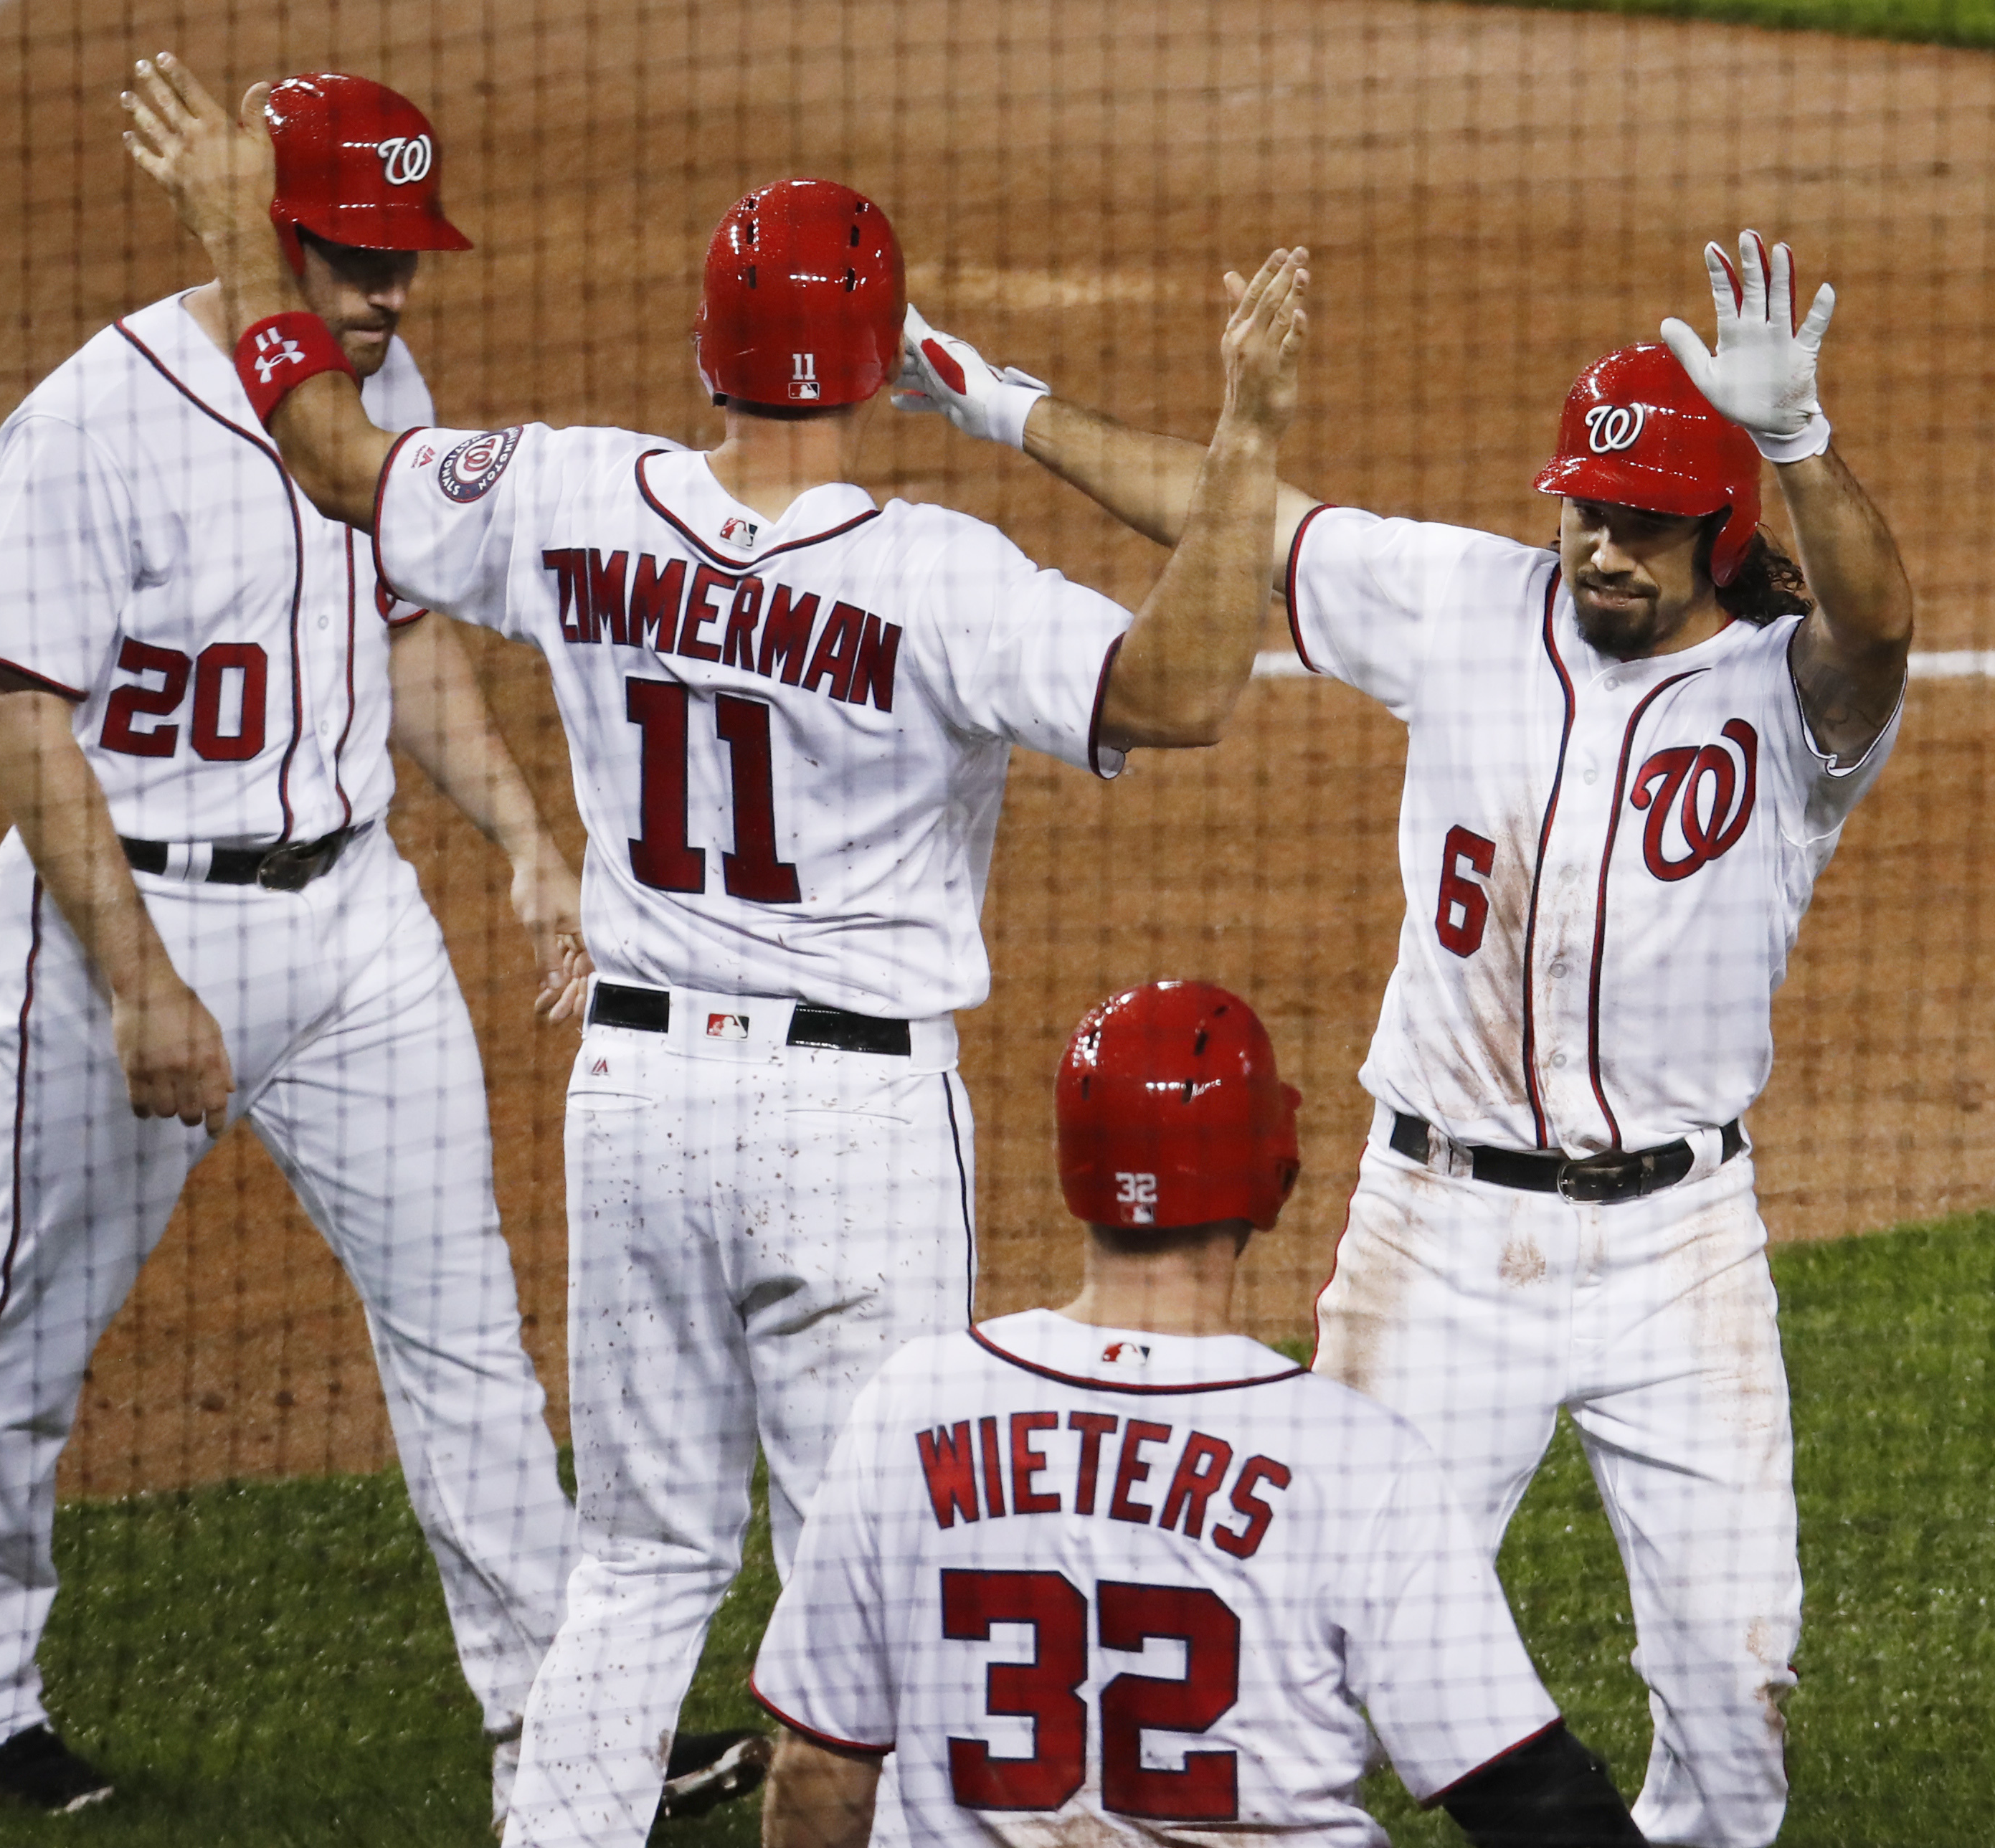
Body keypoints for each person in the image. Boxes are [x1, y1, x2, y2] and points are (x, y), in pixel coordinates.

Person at [118, 50, 1307, 1848]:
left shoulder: (577, 493)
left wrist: (237, 239)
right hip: (850, 1132)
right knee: (873, 1583)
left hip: (638, 1097)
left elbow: (340, 461)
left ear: (704, 351)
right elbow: (1185, 686)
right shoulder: (937, 572)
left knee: (639, 1555)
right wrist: (1245, 440)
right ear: (887, 364)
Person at [899, 233, 1912, 1847]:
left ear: (1720, 528)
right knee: (1304, 1639)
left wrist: (1797, 444)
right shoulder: (1461, 600)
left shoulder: (1788, 700)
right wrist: (1001, 403)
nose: (1602, 552)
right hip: (1437, 1233)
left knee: (1737, 1687)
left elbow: (1877, 628)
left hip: (1680, 1250)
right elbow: (1240, 526)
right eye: (1584, 511)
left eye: (1645, 527)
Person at [0, 72, 582, 1824]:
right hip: (135, 911)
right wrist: (138, 981)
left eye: (404, 261)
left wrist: (521, 840)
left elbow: (409, 636)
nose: (387, 297)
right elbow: (20, 724)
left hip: (360, 922)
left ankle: (560, 1724)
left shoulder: (376, 394)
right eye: (354, 257)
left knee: (467, 1327)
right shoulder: (88, 424)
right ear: (271, 233)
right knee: (35, 1318)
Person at [751, 979, 1648, 1848]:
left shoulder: (915, 1403)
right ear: (1274, 1177)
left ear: (1074, 1170)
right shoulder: (1348, 1457)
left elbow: (820, 1763)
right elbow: (1524, 1793)